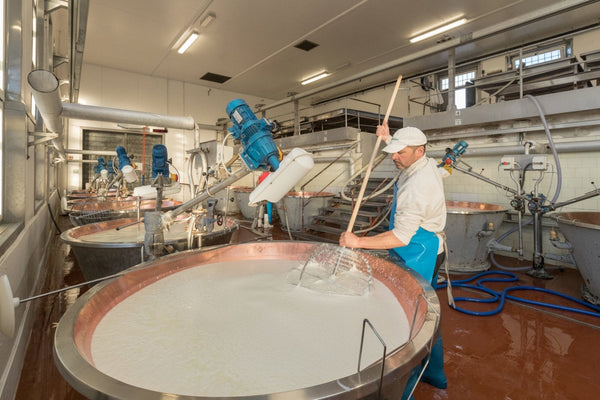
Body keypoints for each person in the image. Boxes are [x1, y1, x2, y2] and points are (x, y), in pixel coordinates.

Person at [340, 122, 447, 399]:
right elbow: (404, 150)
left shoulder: (418, 186)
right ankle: (435, 373)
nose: (394, 157)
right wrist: (389, 138)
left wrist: (357, 242)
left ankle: (403, 390)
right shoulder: (424, 163)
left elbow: (400, 236)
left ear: (419, 151)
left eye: (401, 152)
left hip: (418, 252)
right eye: (394, 151)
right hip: (427, 247)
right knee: (428, 316)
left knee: (411, 324)